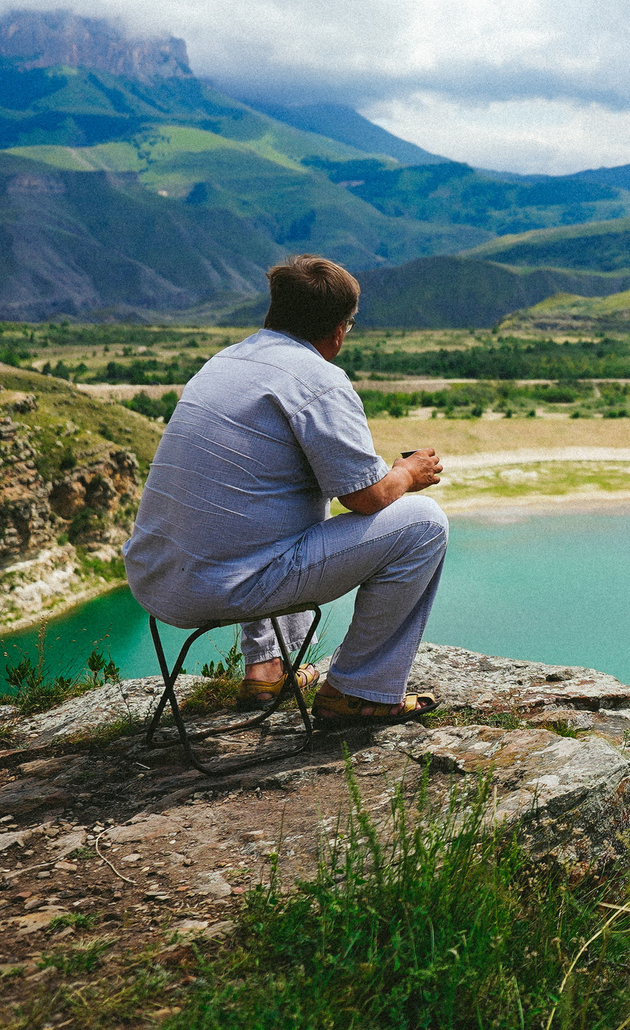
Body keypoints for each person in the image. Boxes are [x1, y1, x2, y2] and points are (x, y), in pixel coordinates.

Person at [123, 254, 447, 728]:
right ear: (339, 330)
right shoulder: (317, 381)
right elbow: (365, 498)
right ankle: (359, 692)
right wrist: (408, 473)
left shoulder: (224, 362)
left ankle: (267, 669)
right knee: (425, 524)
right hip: (225, 586)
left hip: (157, 577)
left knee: (270, 498)